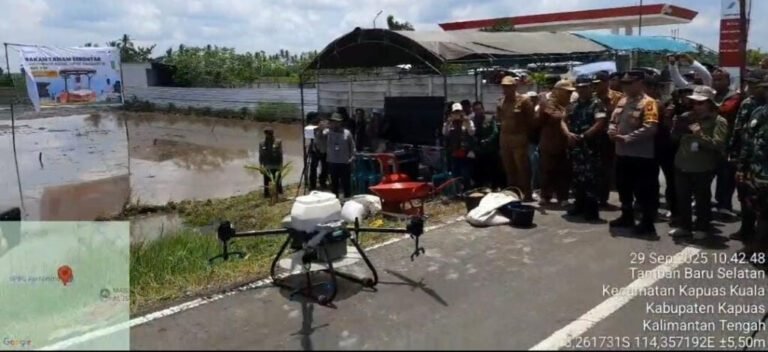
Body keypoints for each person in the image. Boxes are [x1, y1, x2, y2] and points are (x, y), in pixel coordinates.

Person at [668, 86, 729, 240]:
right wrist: (675, 126)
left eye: (701, 103)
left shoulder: (718, 121)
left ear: (710, 103)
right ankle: (684, 226)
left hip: (702, 166)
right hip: (682, 163)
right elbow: (674, 139)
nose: (697, 106)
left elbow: (718, 144)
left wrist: (698, 133)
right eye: (694, 103)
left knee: (702, 199)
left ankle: (702, 227)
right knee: (683, 198)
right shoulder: (686, 116)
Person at [608, 71, 660, 237]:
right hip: (622, 153)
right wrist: (611, 130)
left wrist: (628, 138)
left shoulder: (649, 103)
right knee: (624, 188)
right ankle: (627, 216)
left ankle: (647, 223)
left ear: (640, 83)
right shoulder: (623, 100)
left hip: (641, 155)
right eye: (624, 83)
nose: (625, 86)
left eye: (629, 83)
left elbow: (651, 128)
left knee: (644, 191)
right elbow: (614, 120)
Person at [730, 70, 767, 245]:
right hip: (751, 163)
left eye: (755, 85)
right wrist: (738, 158)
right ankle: (747, 231)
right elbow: (740, 132)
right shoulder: (751, 105)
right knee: (747, 198)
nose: (751, 88)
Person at [564, 76, 608, 221]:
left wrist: (584, 136)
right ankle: (579, 205)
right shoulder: (573, 105)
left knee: (591, 179)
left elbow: (600, 122)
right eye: (579, 88)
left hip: (591, 147)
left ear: (591, 88)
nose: (582, 90)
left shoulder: (597, 104)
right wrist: (568, 134)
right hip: (575, 148)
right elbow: (562, 120)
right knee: (577, 178)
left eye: (585, 87)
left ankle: (591, 210)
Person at [536, 79, 574, 207]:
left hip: (564, 143)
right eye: (566, 92)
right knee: (547, 170)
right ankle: (545, 195)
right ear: (558, 91)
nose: (569, 95)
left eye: (570, 93)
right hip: (549, 142)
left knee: (563, 171)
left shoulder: (568, 104)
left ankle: (562, 197)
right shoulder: (548, 103)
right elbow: (552, 117)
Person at [497, 76, 535, 201]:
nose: (505, 89)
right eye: (504, 86)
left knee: (522, 167)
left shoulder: (524, 101)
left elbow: (531, 121)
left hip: (519, 137)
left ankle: (527, 193)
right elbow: (499, 119)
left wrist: (527, 136)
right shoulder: (501, 102)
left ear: (514, 87)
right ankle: (513, 193)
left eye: (508, 86)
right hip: (505, 138)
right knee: (509, 167)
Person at [711, 69, 743, 216]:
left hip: (727, 143)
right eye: (714, 79)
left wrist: (708, 107)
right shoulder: (712, 95)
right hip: (709, 141)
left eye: (720, 79)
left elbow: (726, 110)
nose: (716, 82)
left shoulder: (734, 96)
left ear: (728, 81)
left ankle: (724, 205)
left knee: (725, 177)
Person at [594, 71, 625, 207]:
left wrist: (608, 107)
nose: (596, 86)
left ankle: (603, 198)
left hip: (609, 136)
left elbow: (621, 115)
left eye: (598, 83)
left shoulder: (618, 97)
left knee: (606, 168)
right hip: (594, 135)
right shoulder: (593, 97)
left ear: (606, 82)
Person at [443, 102, 476, 192]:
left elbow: (472, 132)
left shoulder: (468, 122)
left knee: (466, 174)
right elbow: (445, 133)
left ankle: (467, 191)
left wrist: (467, 121)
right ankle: (457, 191)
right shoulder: (449, 123)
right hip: (454, 153)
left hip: (465, 152)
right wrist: (448, 122)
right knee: (455, 174)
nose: (457, 114)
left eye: (459, 112)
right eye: (455, 112)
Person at [325, 113, 356, 199]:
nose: (335, 124)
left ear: (341, 123)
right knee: (334, 185)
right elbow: (319, 138)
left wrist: (352, 158)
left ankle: (348, 202)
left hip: (345, 163)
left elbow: (352, 147)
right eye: (333, 122)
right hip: (332, 162)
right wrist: (321, 128)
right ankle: (335, 203)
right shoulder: (328, 132)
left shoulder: (347, 133)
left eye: (337, 122)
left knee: (346, 185)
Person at [470, 101, 500, 189]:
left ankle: (494, 187)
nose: (478, 111)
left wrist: (488, 140)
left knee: (493, 170)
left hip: (490, 150)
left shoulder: (489, 119)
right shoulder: (472, 121)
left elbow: (495, 132)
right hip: (479, 151)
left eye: (479, 109)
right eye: (475, 110)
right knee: (479, 172)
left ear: (483, 109)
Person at [258, 126, 284, 198]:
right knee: (266, 182)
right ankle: (267, 195)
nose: (268, 135)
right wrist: (260, 166)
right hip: (267, 165)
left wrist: (281, 165)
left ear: (272, 133)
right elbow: (261, 155)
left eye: (269, 133)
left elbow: (280, 154)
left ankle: (279, 193)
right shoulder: (262, 143)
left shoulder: (278, 142)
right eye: (266, 133)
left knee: (278, 181)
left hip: (276, 165)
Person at [309, 112, 329, 190]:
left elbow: (325, 134)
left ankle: (322, 182)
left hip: (324, 151)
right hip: (315, 151)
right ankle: (312, 185)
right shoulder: (312, 127)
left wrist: (321, 129)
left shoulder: (325, 126)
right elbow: (310, 138)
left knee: (325, 168)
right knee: (313, 168)